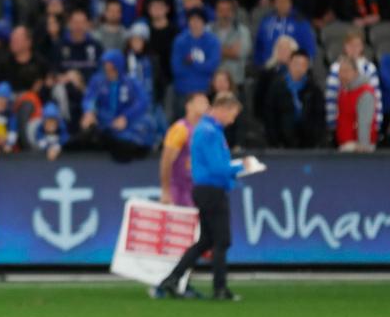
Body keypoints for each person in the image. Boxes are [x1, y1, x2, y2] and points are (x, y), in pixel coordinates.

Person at [153, 93, 259, 301]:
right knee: (222, 240)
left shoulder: (206, 130)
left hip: (204, 189)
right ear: (223, 109)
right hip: (212, 190)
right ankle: (220, 289)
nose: (233, 120)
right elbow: (218, 167)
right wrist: (243, 166)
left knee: (206, 241)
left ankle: (172, 279)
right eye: (233, 114)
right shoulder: (210, 132)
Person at [77, 50, 156, 162]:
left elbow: (143, 101)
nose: (109, 71)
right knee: (87, 130)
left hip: (125, 124)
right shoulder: (97, 81)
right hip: (104, 122)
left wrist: (126, 117)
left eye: (112, 68)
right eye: (106, 68)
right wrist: (89, 111)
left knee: (146, 124)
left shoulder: (130, 82)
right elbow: (90, 98)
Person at [324, 31, 383, 131]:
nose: (354, 48)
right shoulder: (336, 68)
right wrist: (332, 123)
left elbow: (376, 96)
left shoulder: (370, 68)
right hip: (343, 120)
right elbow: (331, 97)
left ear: (362, 47)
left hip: (366, 120)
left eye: (357, 45)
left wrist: (377, 122)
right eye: (350, 45)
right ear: (345, 47)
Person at [265, 49, 325, 148]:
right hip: (282, 144)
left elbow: (319, 116)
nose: (299, 68)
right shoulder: (277, 86)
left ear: (307, 67)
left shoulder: (313, 88)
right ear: (289, 63)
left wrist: (316, 138)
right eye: (296, 63)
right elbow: (270, 115)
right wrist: (274, 141)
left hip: (308, 144)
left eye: (303, 65)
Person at [159, 93, 208, 207]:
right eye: (200, 102)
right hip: (179, 192)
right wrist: (166, 191)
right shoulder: (180, 129)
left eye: (206, 103)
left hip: (198, 190)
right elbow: (166, 161)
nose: (205, 105)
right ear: (188, 106)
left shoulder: (206, 131)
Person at [253, 0, 318, 67]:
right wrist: (259, 66)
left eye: (284, 1)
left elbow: (310, 50)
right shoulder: (265, 22)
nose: (281, 4)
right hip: (268, 69)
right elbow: (258, 48)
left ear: (290, 3)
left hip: (292, 71)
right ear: (274, 3)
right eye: (278, 1)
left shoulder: (301, 23)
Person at [170, 8, 220, 109]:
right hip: (183, 91)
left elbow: (212, 66)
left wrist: (192, 62)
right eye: (192, 20)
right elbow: (177, 69)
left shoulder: (213, 41)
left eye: (198, 20)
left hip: (205, 91)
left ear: (204, 22)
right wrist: (201, 66)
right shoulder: (179, 41)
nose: (195, 23)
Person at [335, 58, 378, 151]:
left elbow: (365, 122)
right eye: (340, 71)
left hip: (357, 147)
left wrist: (363, 147)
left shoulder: (365, 93)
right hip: (345, 144)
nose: (342, 75)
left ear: (356, 72)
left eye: (346, 71)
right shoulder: (343, 91)